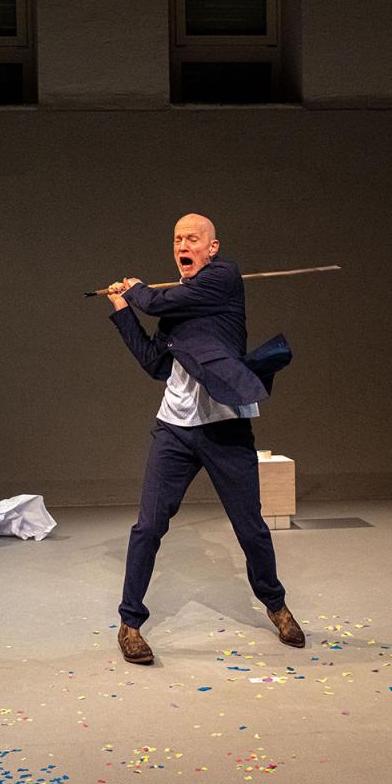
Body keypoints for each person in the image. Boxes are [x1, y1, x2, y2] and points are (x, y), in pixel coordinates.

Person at [105, 213, 305, 665]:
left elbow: (155, 303)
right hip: (174, 428)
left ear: (211, 248)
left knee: (250, 526)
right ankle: (129, 623)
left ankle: (276, 606)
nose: (183, 244)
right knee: (148, 526)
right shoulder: (177, 307)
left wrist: (136, 290)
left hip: (225, 427)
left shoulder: (222, 278)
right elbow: (155, 363)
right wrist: (122, 311)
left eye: (192, 238)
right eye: (177, 238)